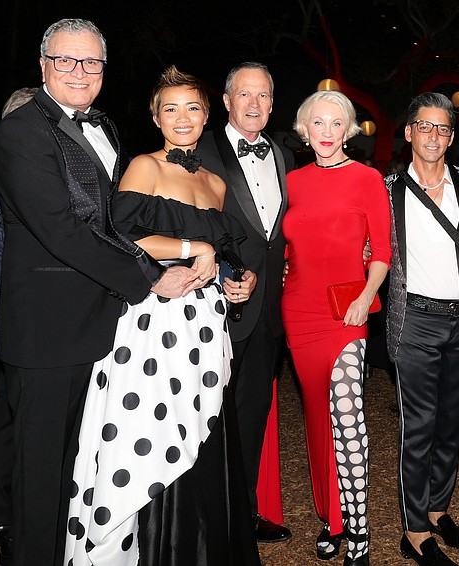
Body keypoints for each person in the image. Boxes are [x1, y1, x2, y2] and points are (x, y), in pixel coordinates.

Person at [0, 19, 198, 565]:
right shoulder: (22, 132)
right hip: (45, 331)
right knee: (38, 479)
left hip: (99, 327)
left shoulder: (100, 125)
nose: (79, 72)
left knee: (77, 472)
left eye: (91, 63)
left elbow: (112, 225)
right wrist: (151, 277)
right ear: (43, 67)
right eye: (65, 61)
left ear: (103, 70)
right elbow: (61, 230)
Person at [62, 66, 260, 565]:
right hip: (155, 321)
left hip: (206, 323)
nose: (182, 118)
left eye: (192, 108)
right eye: (169, 109)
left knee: (202, 427)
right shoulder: (145, 166)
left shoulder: (215, 183)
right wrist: (195, 246)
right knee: (151, 435)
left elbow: (225, 251)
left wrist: (241, 279)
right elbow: (122, 235)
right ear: (155, 117)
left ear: (207, 115)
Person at [283, 89, 391, 566]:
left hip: (348, 313)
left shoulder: (368, 179)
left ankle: (361, 533)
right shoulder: (292, 181)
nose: (326, 133)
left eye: (335, 124)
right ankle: (331, 519)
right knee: (316, 420)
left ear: (348, 130)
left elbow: (383, 251)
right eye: (317, 124)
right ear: (305, 131)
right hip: (299, 313)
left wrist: (366, 300)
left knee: (348, 417)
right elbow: (284, 245)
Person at [384, 92, 459, 566]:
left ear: (451, 137)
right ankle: (414, 528)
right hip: (413, 321)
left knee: (450, 425)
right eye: (425, 126)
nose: (433, 136)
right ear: (408, 132)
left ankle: (439, 507)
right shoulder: (385, 189)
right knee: (418, 426)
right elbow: (369, 248)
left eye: (442, 129)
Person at [198, 62, 292, 542]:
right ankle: (202, 518)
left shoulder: (282, 155)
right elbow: (187, 223)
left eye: (263, 96)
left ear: (272, 105)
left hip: (269, 311)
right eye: (244, 95)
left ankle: (243, 513)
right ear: (228, 101)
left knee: (252, 415)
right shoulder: (199, 151)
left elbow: (283, 233)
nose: (254, 105)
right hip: (214, 306)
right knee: (204, 415)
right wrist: (224, 273)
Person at [0, 86, 37, 566]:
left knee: (10, 421)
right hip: (19, 325)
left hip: (16, 326)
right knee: (17, 427)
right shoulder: (6, 184)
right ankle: (7, 518)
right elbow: (4, 267)